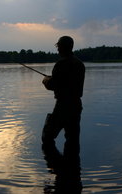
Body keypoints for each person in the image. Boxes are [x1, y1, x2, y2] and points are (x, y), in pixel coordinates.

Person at [41, 36, 85, 193]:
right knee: (72, 142)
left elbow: (52, 85)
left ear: (64, 47)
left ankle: (58, 168)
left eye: (58, 46)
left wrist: (46, 80)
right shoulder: (80, 64)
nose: (57, 49)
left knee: (47, 138)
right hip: (76, 106)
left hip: (62, 106)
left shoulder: (60, 64)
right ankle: (72, 172)